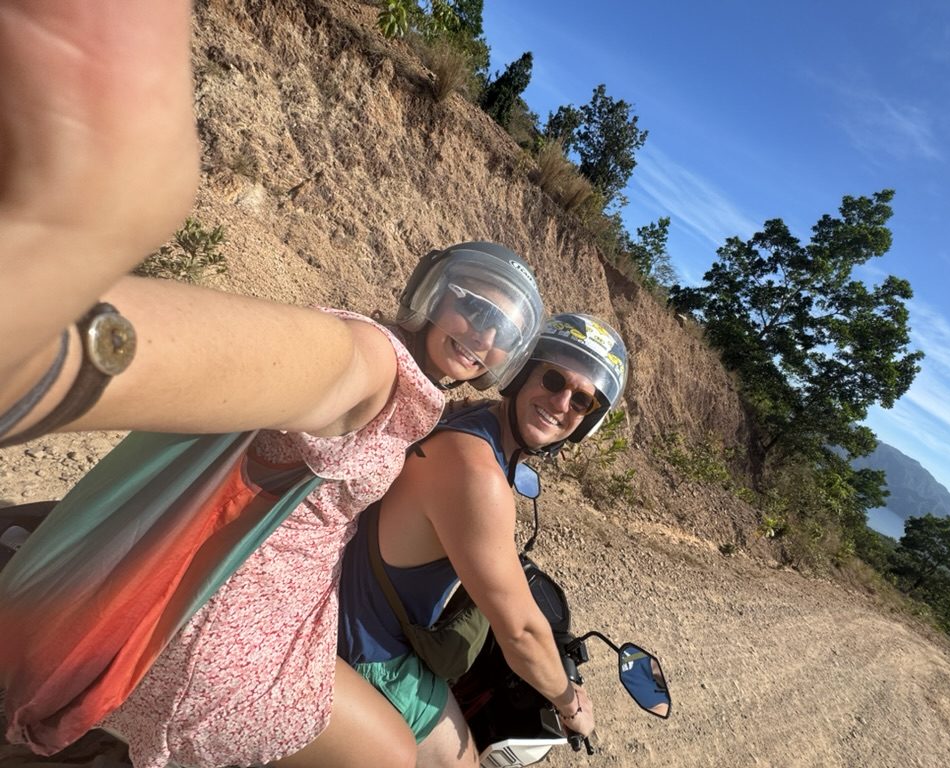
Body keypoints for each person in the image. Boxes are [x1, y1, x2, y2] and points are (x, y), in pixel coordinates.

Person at [0, 3, 551, 767]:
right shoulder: (371, 364)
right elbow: (247, 361)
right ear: (435, 293)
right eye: (471, 302)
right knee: (397, 756)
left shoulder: (422, 408)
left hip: (252, 598)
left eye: (502, 328)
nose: (481, 333)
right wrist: (42, 337)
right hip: (231, 635)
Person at [338, 314, 629, 766]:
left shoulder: (472, 423)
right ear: (522, 372)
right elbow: (521, 633)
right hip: (373, 654)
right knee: (463, 760)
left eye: (583, 402)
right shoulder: (480, 475)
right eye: (553, 378)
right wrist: (571, 704)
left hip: (355, 609)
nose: (561, 401)